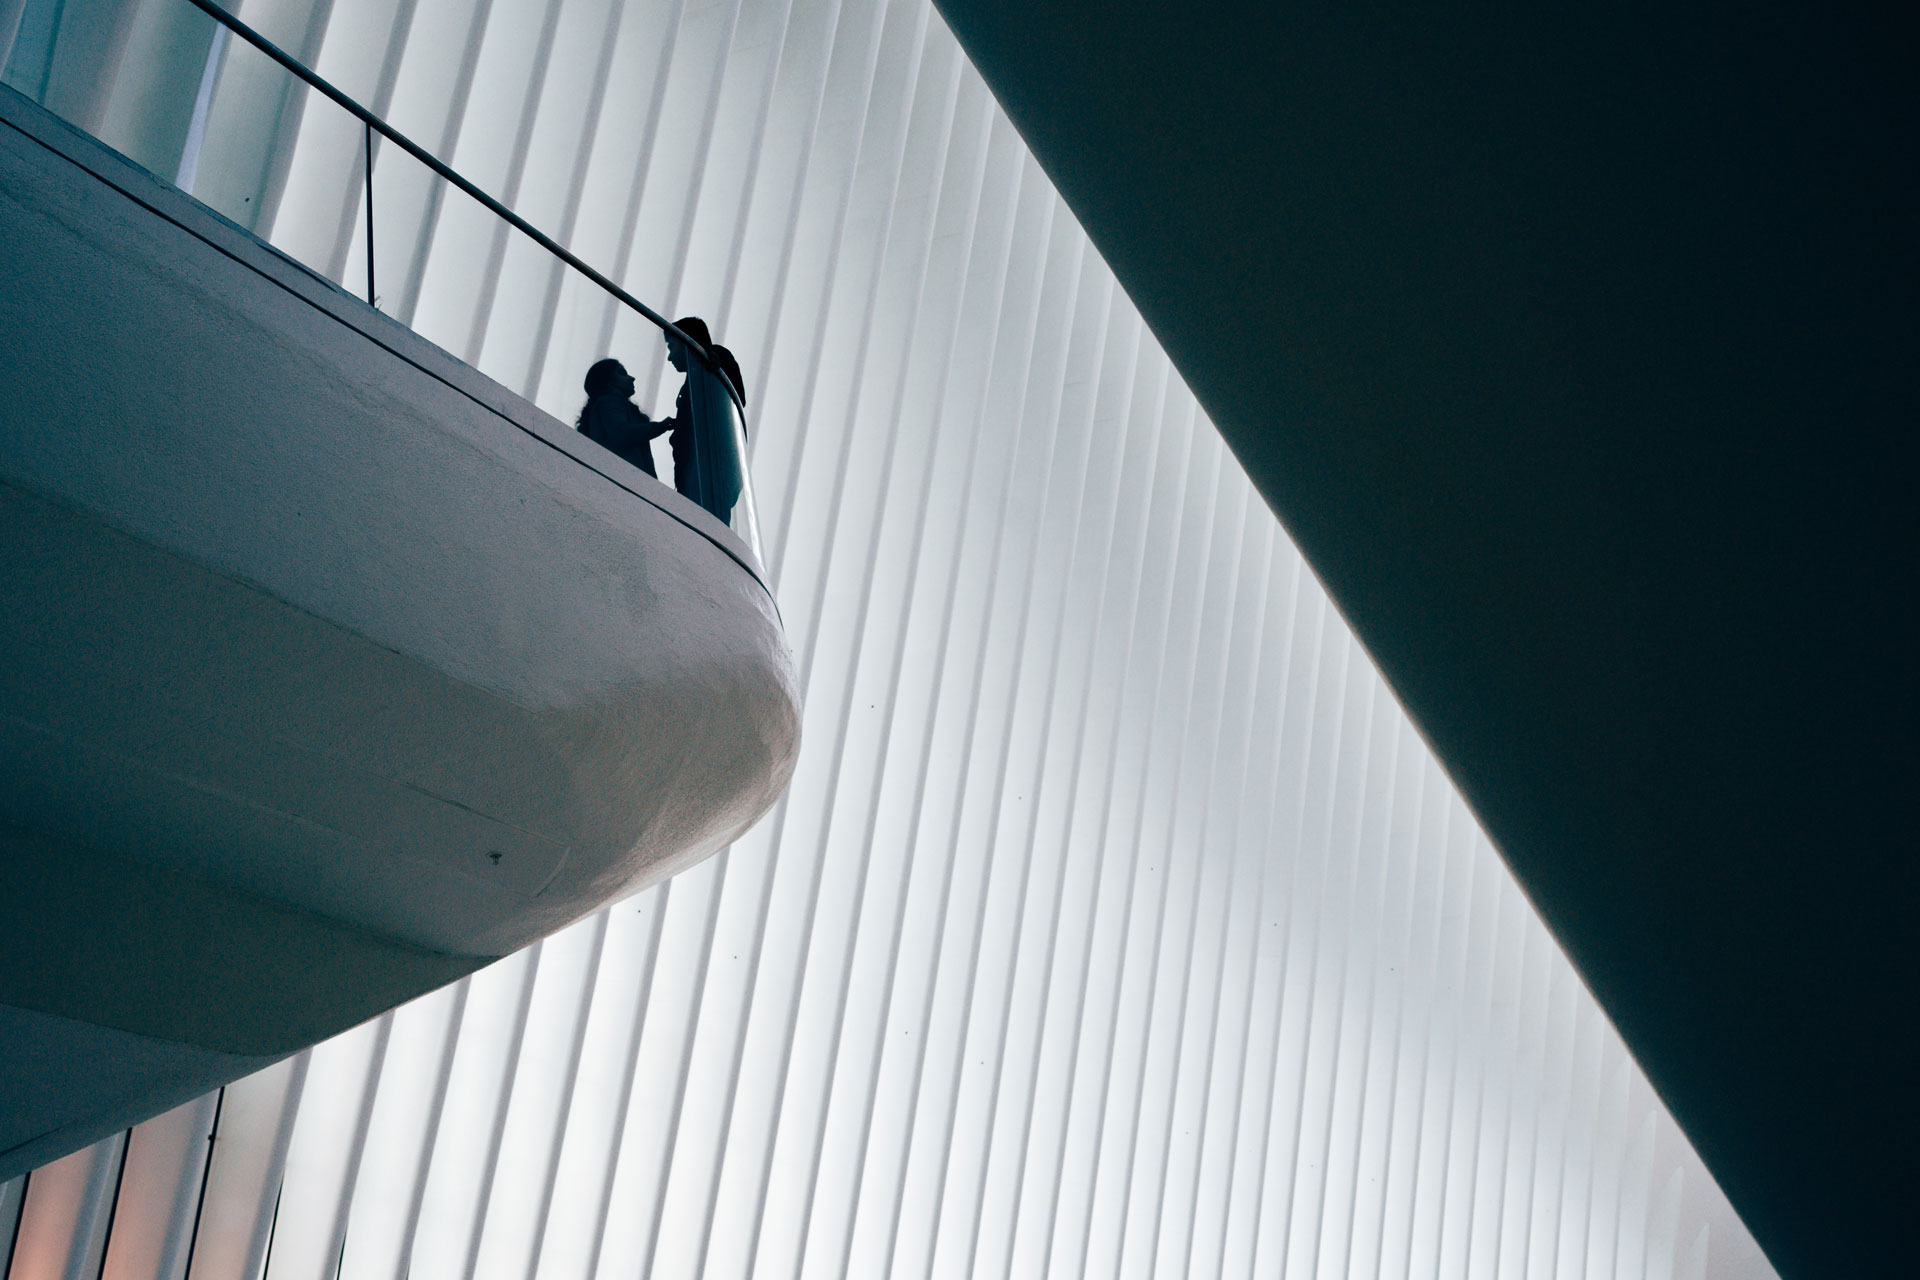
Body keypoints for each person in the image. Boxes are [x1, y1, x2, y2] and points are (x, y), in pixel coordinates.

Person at [660, 317, 746, 524]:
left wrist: (710, 358)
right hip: (701, 471)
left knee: (707, 526)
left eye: (671, 346)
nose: (669, 357)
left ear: (686, 340)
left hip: (706, 470)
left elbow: (735, 391)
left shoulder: (711, 362)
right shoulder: (696, 379)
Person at [575, 357, 667, 478]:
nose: (632, 378)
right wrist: (660, 426)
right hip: (627, 478)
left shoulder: (606, 404)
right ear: (607, 380)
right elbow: (620, 432)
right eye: (622, 373)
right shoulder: (610, 401)